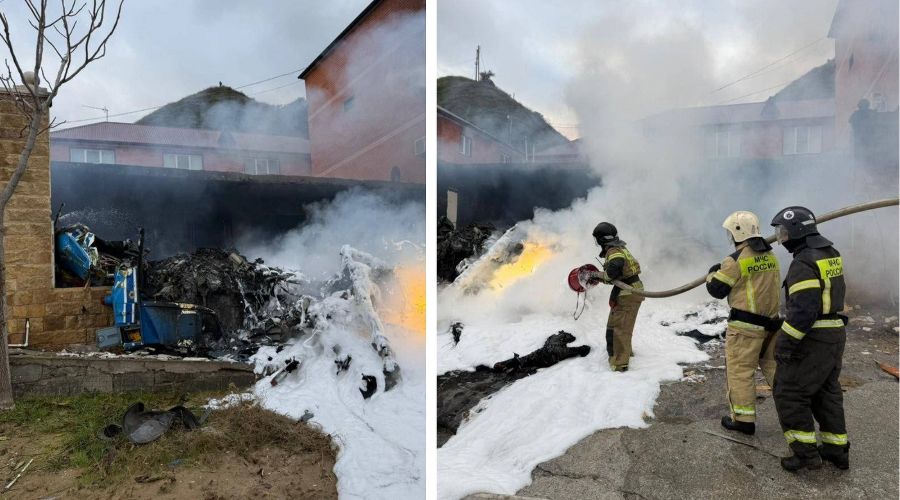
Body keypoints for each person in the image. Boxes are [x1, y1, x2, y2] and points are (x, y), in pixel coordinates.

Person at [770, 206, 850, 471]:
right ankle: (836, 449)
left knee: (789, 392)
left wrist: (785, 342)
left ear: (796, 230)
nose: (781, 239)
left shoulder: (803, 262)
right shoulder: (830, 253)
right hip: (834, 333)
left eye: (782, 232)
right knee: (826, 393)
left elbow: (803, 310)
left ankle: (805, 455)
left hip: (813, 337)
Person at [705, 211, 781, 436]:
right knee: (776, 369)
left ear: (738, 232)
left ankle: (743, 420)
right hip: (772, 325)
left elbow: (716, 290)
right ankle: (793, 410)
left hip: (746, 329)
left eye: (730, 232)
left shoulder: (735, 260)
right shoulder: (770, 256)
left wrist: (712, 274)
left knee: (740, 372)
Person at [590, 222, 644, 372]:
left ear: (601, 240)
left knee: (618, 328)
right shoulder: (619, 248)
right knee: (620, 325)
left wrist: (594, 275)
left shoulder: (614, 252)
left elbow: (610, 275)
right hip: (631, 291)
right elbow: (614, 277)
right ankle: (624, 353)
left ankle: (620, 363)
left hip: (628, 293)